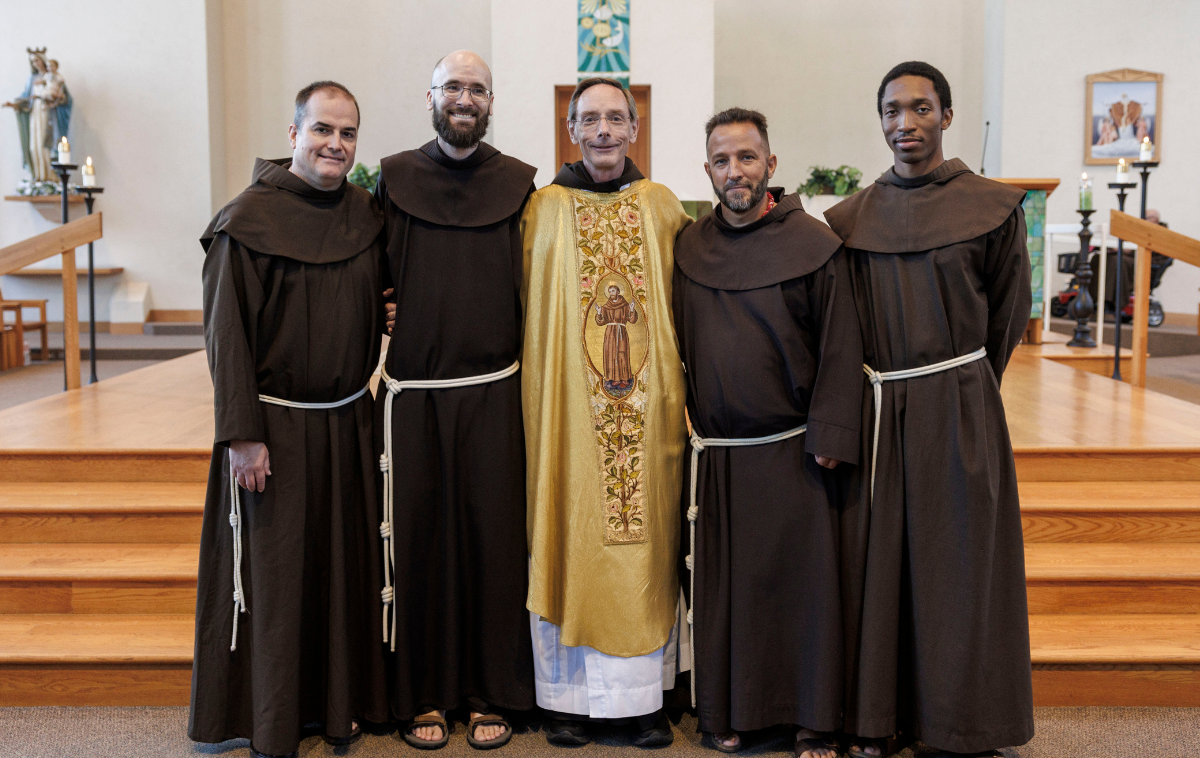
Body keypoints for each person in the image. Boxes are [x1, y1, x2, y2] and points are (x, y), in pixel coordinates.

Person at [824, 61, 1034, 758]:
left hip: (959, 403)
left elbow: (1007, 316)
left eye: (919, 109)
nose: (904, 124)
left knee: (957, 569)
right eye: (891, 110)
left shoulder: (993, 208)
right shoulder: (852, 219)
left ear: (946, 115)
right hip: (883, 408)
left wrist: (963, 391)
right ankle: (881, 719)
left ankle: (961, 726)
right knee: (880, 568)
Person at [189, 81, 388, 758]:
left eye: (348, 133)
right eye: (323, 130)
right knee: (277, 580)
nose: (335, 144)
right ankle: (271, 718)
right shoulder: (246, 220)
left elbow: (378, 291)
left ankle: (335, 707)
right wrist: (241, 434)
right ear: (294, 133)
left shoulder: (363, 212)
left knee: (339, 571)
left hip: (346, 421)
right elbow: (226, 335)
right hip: (271, 431)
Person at [673, 107, 863, 758]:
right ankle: (732, 712)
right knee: (732, 596)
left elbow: (841, 343)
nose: (735, 171)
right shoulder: (690, 247)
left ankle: (814, 721)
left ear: (770, 165)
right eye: (722, 160)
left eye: (747, 158)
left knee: (803, 595)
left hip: (794, 449)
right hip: (721, 456)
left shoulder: (811, 243)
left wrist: (832, 431)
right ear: (707, 170)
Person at [521, 76, 692, 747]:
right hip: (565, 414)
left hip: (649, 422)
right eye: (588, 119)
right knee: (569, 531)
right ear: (570, 128)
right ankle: (565, 701)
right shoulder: (543, 209)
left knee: (645, 540)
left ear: (634, 127)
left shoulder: (662, 206)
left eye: (615, 118)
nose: (602, 131)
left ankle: (645, 703)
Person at [373, 50, 537, 750]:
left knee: (493, 543)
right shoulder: (393, 180)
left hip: (494, 392)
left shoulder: (520, 185)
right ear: (431, 96)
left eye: (476, 88)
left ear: (491, 100)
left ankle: (490, 690)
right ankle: (422, 695)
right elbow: (367, 269)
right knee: (418, 543)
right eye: (452, 87)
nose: (464, 98)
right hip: (413, 399)